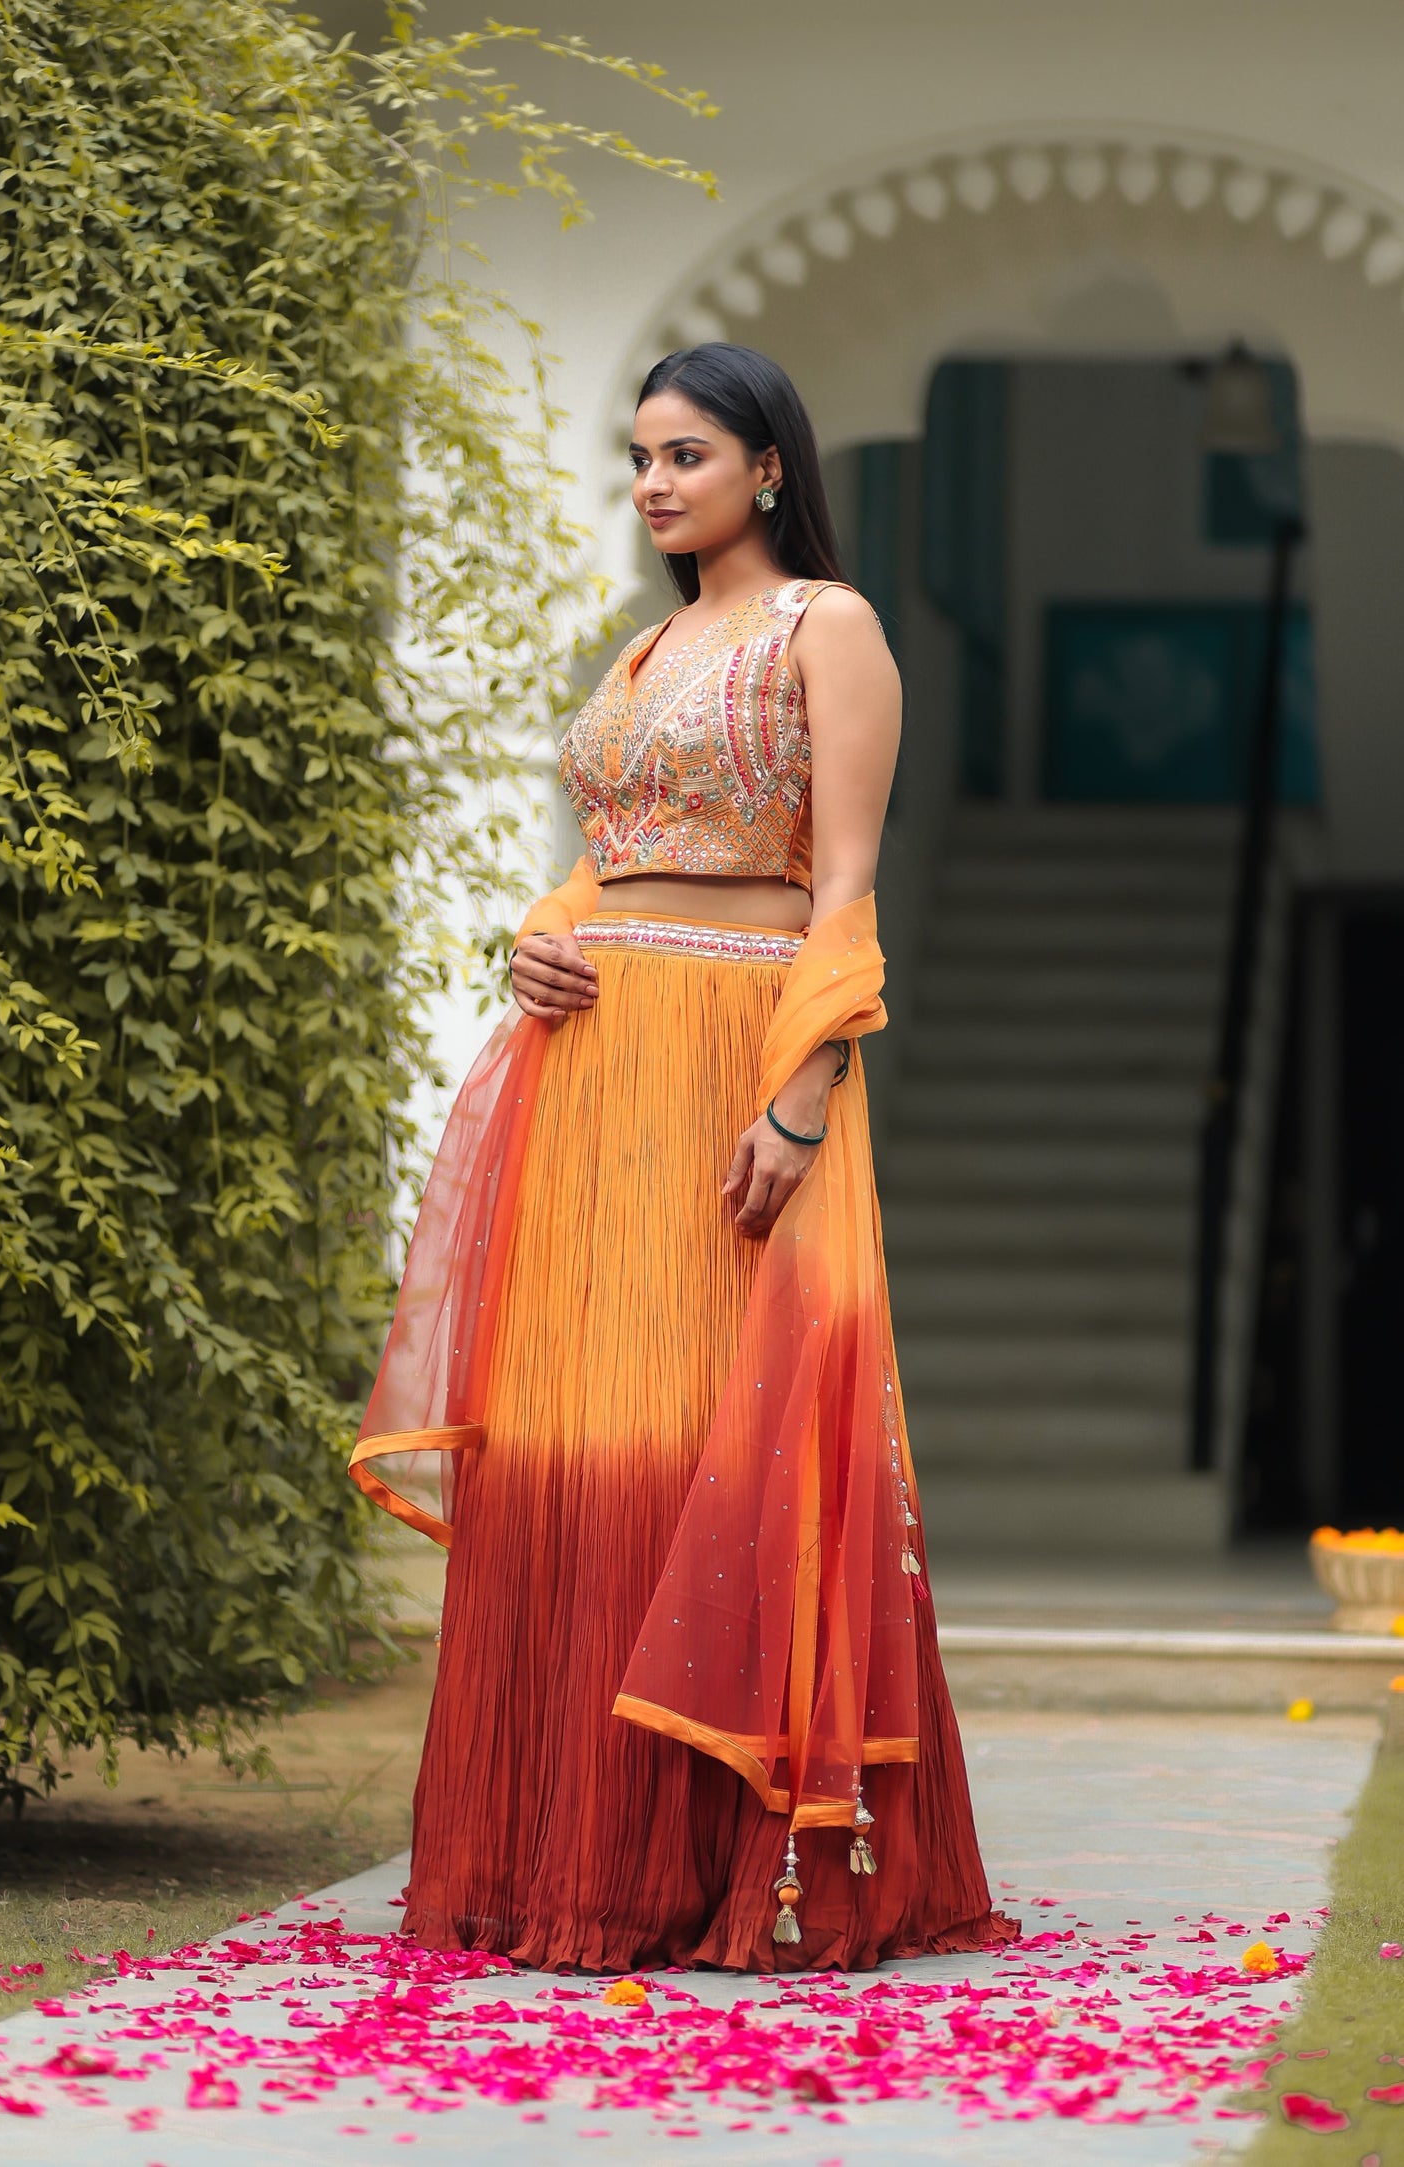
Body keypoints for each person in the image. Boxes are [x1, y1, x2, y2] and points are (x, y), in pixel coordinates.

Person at [350, 342, 1016, 1972]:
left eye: (687, 454)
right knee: (577, 1435)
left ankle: (738, 1866)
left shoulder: (825, 628)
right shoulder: (648, 648)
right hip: (590, 1078)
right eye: (641, 456)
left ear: (768, 468)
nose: (654, 482)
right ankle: (554, 1857)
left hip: (738, 1061)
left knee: (729, 1435)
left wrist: (800, 1098)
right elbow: (608, 859)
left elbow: (840, 881)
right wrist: (539, 936)